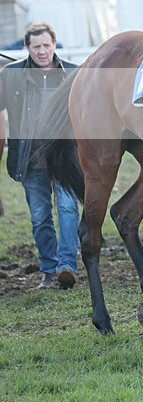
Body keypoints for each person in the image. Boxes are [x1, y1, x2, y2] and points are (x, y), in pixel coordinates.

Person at [0, 23, 79, 289]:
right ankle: (48, 270)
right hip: (30, 159)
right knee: (40, 216)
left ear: (54, 45)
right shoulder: (10, 74)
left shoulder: (73, 73)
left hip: (65, 157)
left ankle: (66, 265)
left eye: (46, 45)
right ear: (27, 47)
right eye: (36, 47)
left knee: (68, 208)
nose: (42, 51)